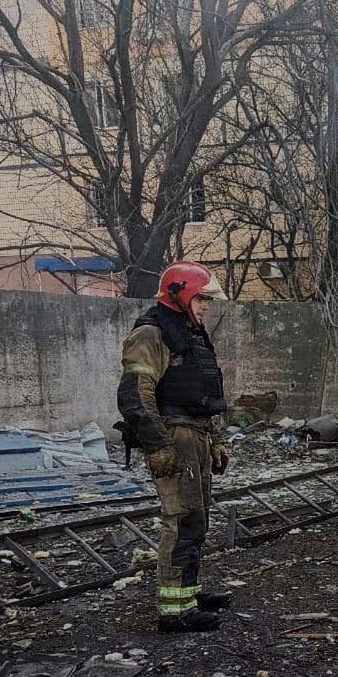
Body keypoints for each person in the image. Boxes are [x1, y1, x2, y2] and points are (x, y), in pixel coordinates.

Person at [117, 261, 232, 632]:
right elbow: (136, 394)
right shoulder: (151, 333)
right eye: (201, 299)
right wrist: (158, 445)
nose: (205, 306)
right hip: (175, 436)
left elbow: (206, 393)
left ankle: (188, 593)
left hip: (195, 435)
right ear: (179, 294)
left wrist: (217, 439)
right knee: (181, 520)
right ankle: (174, 611)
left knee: (197, 519)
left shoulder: (189, 333)